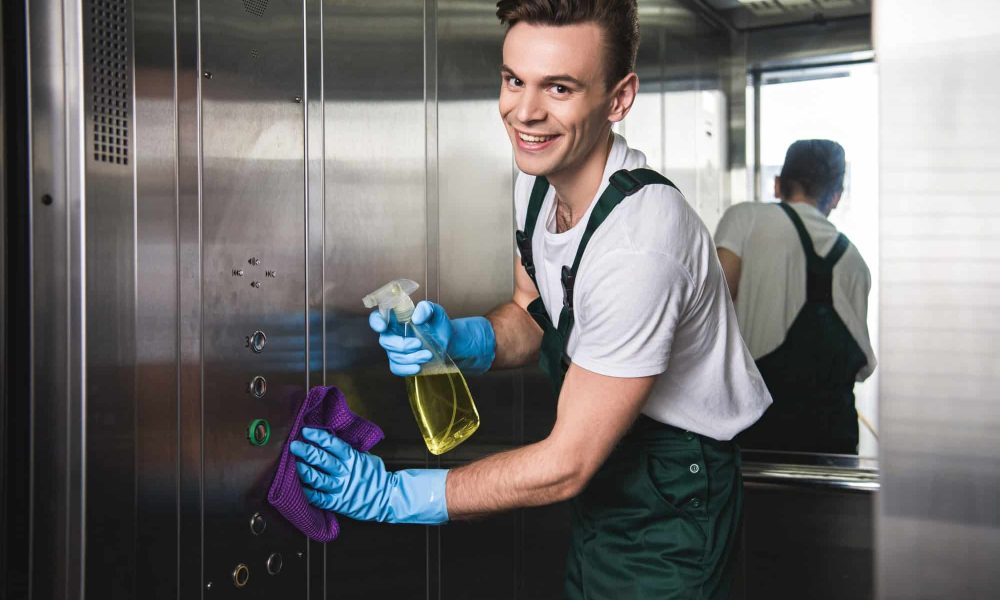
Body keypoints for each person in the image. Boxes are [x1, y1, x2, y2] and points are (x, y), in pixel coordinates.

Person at [289, 1, 771, 597]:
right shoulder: (536, 183)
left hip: (675, 491)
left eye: (559, 88)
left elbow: (567, 464)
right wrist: (460, 339)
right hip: (610, 470)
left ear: (619, 99)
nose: (525, 112)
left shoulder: (641, 245)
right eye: (514, 80)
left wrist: (394, 495)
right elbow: (532, 313)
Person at [715, 139, 876, 454]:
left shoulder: (746, 218)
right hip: (835, 433)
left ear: (778, 184)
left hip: (760, 425)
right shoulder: (856, 262)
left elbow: (712, 303)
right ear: (836, 197)